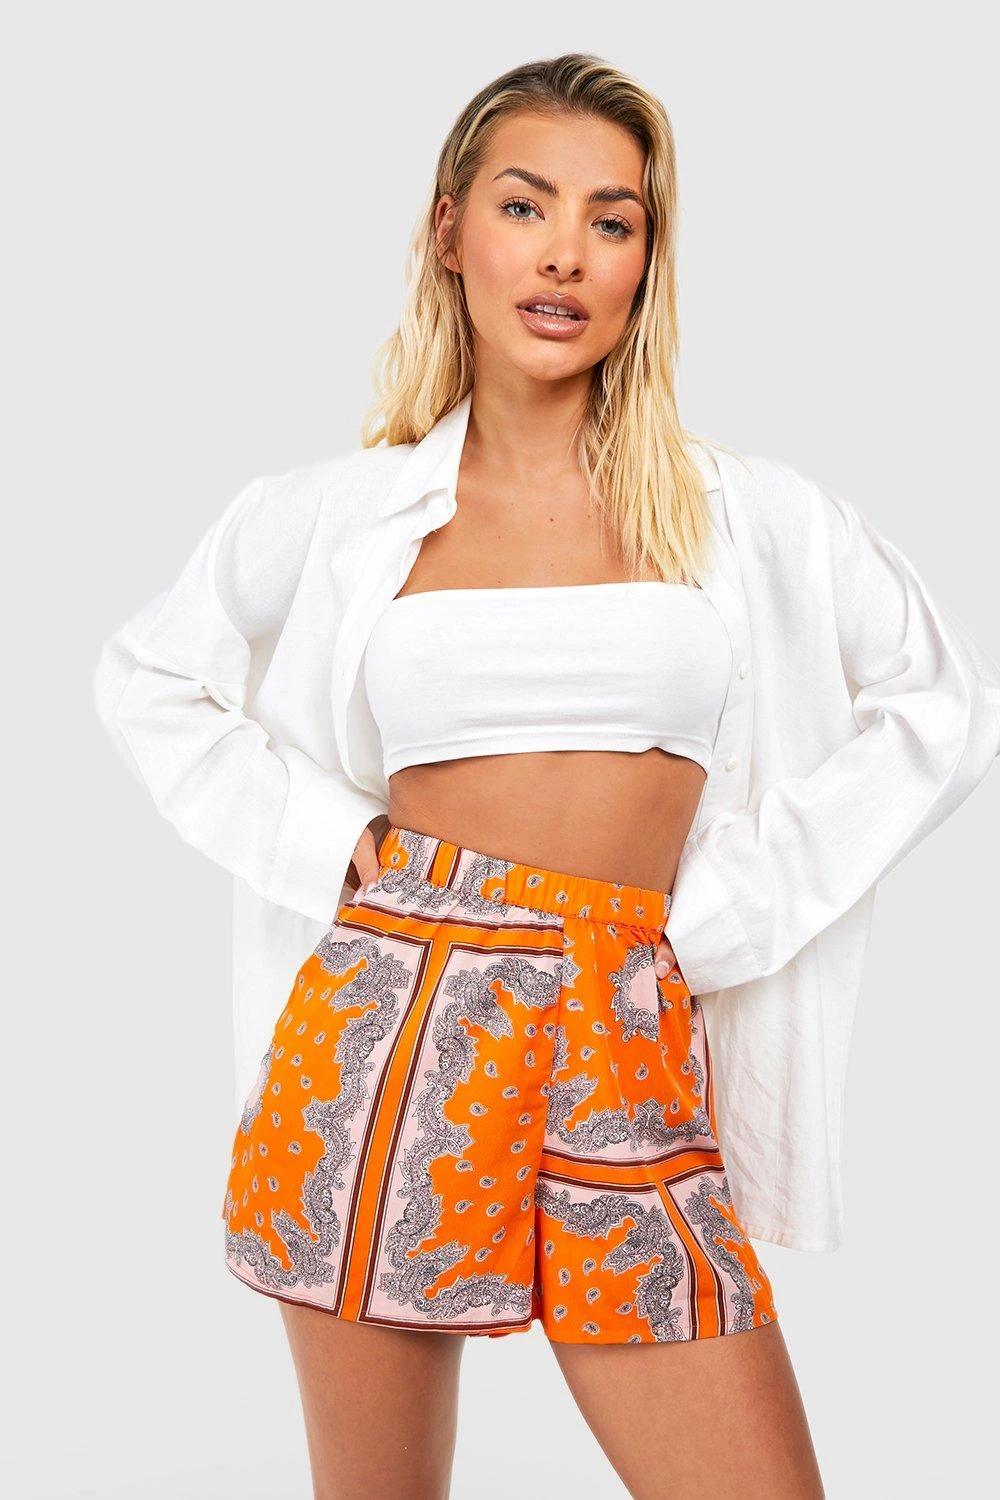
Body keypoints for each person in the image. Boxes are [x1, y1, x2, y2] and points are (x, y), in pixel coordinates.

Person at [93, 52, 1000, 1500]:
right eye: (526, 206)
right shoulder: (336, 513)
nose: (566, 252)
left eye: (612, 219)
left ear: (647, 259)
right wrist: (336, 846)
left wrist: (723, 918)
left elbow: (945, 708)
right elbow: (147, 676)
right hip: (391, 1029)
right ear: (450, 231)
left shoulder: (749, 514)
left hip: (624, 1015)